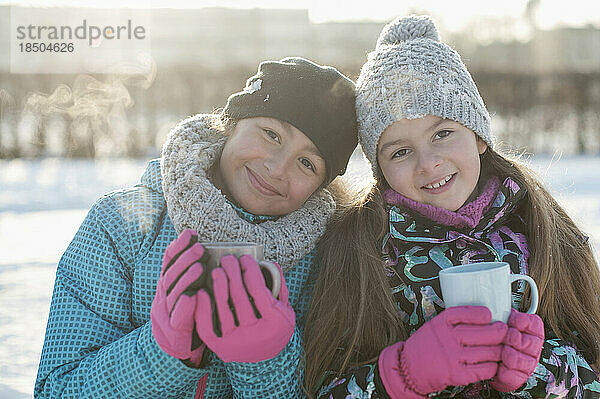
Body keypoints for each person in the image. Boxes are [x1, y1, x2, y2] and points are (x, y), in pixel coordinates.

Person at [304, 16, 600, 398]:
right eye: (401, 152)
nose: (428, 163)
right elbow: (321, 385)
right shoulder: (359, 249)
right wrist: (401, 376)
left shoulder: (543, 227)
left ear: (478, 135)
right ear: (380, 171)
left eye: (443, 134)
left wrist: (540, 371)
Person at [34, 57, 358, 398]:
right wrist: (160, 354)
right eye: (271, 134)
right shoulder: (120, 225)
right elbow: (56, 390)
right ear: (232, 122)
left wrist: (266, 364)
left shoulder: (330, 258)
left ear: (319, 186)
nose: (277, 168)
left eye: (307, 163)